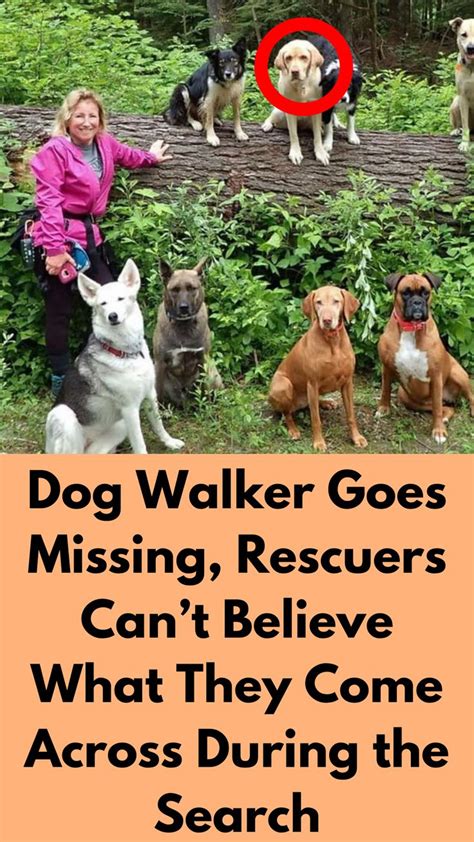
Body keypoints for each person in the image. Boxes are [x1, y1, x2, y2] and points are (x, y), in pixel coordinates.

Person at [30, 88, 172, 395]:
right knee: (59, 308)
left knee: (116, 299)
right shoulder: (54, 151)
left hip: (91, 239)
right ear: (67, 119)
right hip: (60, 237)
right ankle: (61, 381)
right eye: (79, 115)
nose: (86, 122)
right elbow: (49, 202)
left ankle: (107, 372)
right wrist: (54, 251)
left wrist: (151, 157)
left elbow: (127, 155)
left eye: (92, 116)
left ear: (100, 119)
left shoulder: (104, 144)